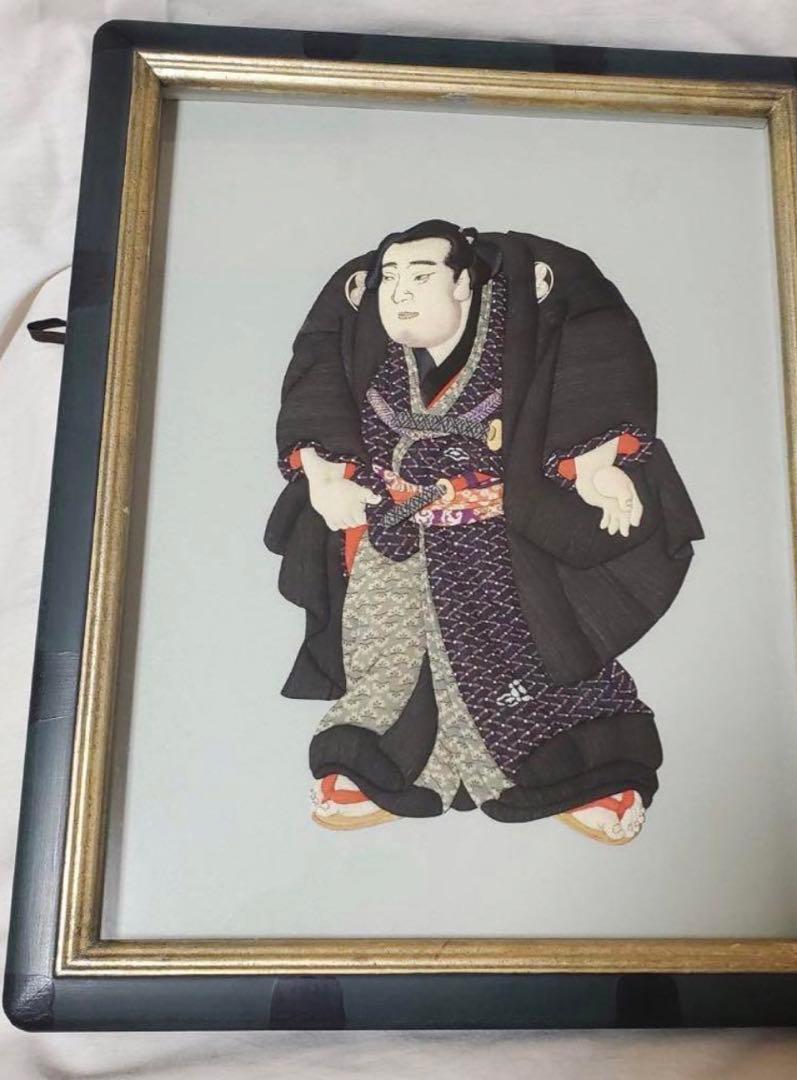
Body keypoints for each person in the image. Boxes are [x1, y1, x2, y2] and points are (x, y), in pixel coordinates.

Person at [265, 220, 703, 844]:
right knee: (384, 657)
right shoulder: (365, 333)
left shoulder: (523, 326)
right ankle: (377, 765)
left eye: (421, 277)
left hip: (499, 540)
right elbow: (317, 385)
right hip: (398, 535)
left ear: (464, 285)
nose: (400, 293)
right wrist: (324, 476)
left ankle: (585, 771)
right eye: (391, 279)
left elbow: (595, 370)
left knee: (531, 655)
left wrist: (596, 466)